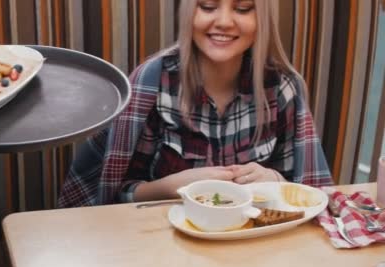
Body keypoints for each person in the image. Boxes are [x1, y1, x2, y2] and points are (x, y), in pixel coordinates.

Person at [58, 0, 333, 208]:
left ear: (262, 19)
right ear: (190, 12)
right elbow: (115, 195)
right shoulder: (151, 82)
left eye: (243, 8)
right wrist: (172, 187)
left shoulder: (283, 87)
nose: (224, 21)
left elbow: (311, 195)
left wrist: (275, 181)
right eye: (208, 6)